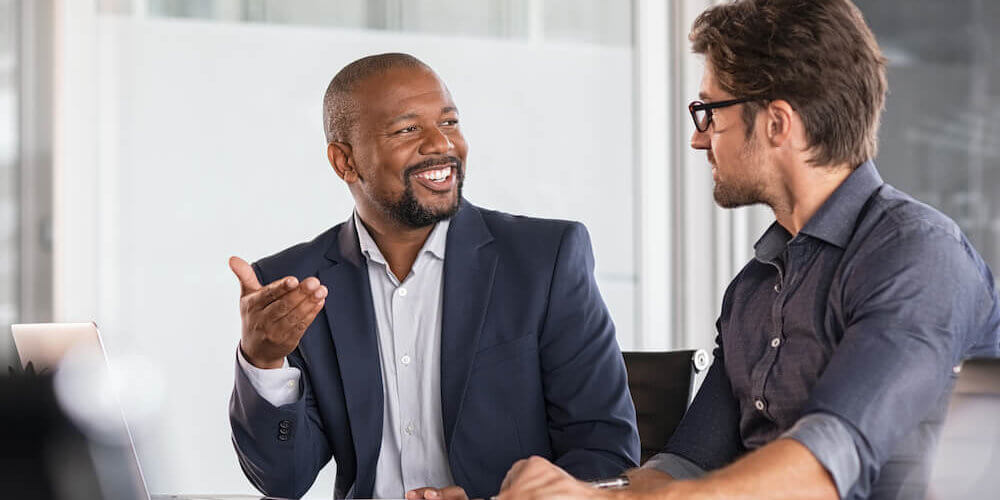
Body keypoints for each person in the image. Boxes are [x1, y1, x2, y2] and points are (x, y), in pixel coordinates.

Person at [495, 0, 1000, 499]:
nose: (699, 141)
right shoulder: (754, 287)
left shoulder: (917, 256)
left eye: (709, 113)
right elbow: (685, 466)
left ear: (777, 122)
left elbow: (823, 469)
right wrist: (577, 493)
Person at [227, 53, 639, 500]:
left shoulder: (544, 260)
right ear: (344, 161)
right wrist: (263, 362)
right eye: (407, 129)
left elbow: (605, 454)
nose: (440, 144)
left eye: (449, 122)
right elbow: (283, 480)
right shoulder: (294, 285)